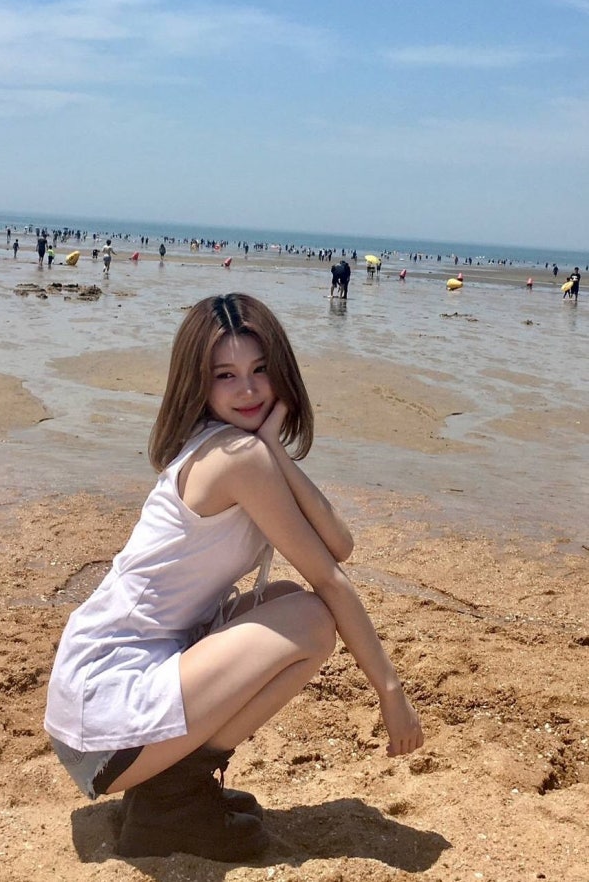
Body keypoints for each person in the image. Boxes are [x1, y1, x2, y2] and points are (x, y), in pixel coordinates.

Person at [44, 293, 424, 862]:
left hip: (98, 702)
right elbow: (332, 577)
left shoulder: (238, 448)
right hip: (105, 712)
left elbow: (340, 543)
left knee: (285, 598)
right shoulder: (234, 458)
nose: (248, 390)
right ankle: (169, 801)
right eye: (226, 375)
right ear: (198, 383)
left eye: (260, 369)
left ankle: (172, 788)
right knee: (310, 617)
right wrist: (391, 694)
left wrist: (274, 448)